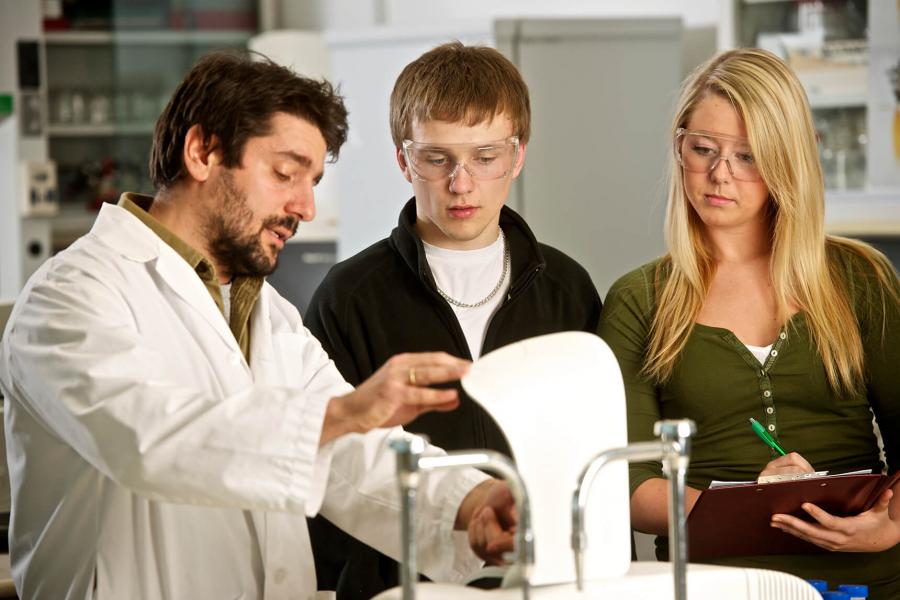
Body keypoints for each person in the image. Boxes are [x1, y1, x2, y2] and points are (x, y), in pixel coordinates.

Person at [0, 51, 518, 600]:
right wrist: (346, 411)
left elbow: (350, 454)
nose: (306, 206)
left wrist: (471, 504)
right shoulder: (71, 296)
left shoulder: (266, 311)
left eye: (312, 180)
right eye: (285, 173)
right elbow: (146, 437)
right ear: (202, 152)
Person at [597, 48, 900, 598]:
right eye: (703, 150)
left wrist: (893, 525)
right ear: (679, 147)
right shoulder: (639, 299)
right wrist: (754, 510)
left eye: (749, 156)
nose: (720, 174)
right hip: (716, 586)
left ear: (789, 160)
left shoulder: (862, 279)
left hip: (868, 580)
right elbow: (629, 483)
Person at [305, 41, 601, 597]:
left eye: (485, 158)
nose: (461, 184)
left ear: (517, 156)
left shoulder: (568, 289)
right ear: (403, 159)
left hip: (549, 581)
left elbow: (595, 458)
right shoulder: (349, 296)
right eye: (437, 159)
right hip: (399, 588)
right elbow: (328, 465)